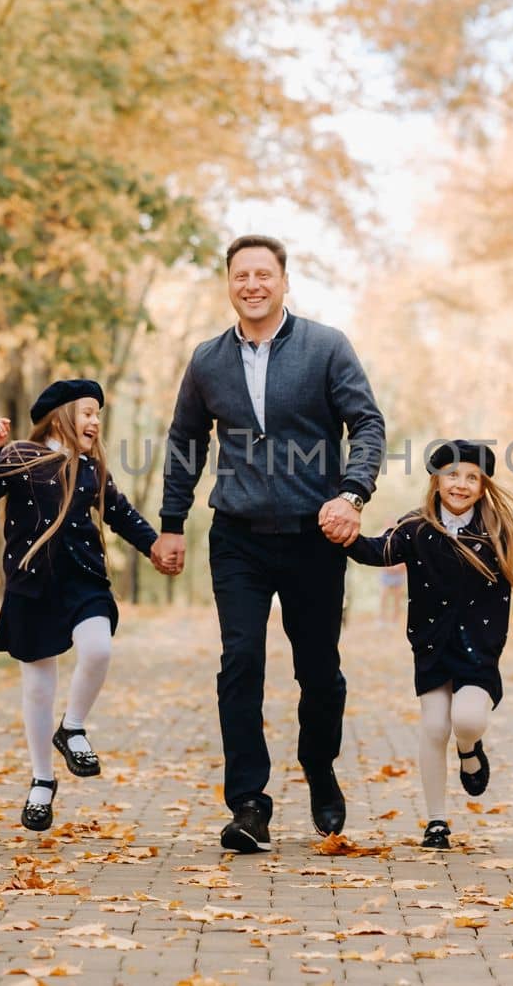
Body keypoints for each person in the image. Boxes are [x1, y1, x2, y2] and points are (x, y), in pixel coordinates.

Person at [151, 234, 386, 853]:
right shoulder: (207, 360)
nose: (252, 285)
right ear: (229, 284)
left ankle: (319, 763)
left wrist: (352, 494)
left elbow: (367, 424)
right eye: (241, 276)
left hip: (315, 536)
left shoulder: (326, 347)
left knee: (320, 673)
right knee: (241, 662)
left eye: (263, 275)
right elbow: (185, 442)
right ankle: (249, 803)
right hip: (238, 538)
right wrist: (172, 523)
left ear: (284, 281)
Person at [344, 440, 513, 849]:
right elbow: (376, 552)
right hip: (431, 645)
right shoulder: (415, 529)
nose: (461, 484)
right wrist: (340, 534)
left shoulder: (499, 530)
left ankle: (470, 751)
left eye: (471, 477)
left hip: (479, 648)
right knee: (433, 726)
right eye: (452, 475)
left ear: (483, 487)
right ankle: (436, 822)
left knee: (466, 719)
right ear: (436, 481)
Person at [0, 379, 162, 832]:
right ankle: (42, 780)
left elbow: (120, 512)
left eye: (98, 414)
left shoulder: (91, 467)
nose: (95, 421)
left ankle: (71, 728)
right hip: (31, 585)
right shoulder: (19, 456)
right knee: (37, 687)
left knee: (98, 650)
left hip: (83, 580)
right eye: (87, 411)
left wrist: (154, 547)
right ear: (61, 416)